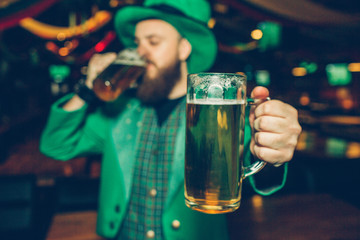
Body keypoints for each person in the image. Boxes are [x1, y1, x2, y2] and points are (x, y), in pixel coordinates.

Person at [40, 0, 302, 239]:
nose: (140, 52)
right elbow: (56, 144)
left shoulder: (218, 115)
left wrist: (275, 146)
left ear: (184, 48)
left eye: (153, 42)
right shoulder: (119, 113)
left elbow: (259, 162)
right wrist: (87, 89)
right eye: (137, 43)